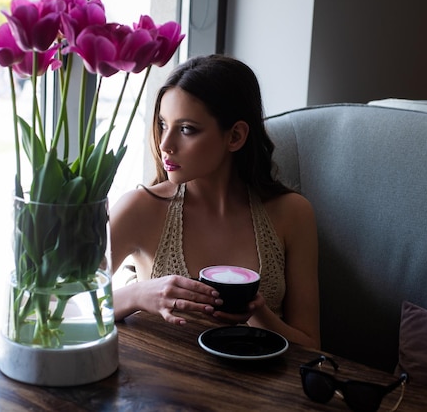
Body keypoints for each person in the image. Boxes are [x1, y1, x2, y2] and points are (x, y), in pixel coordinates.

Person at [109, 54, 320, 349]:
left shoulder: (291, 214)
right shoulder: (140, 209)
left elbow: (311, 348)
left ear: (235, 136)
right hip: (163, 388)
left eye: (186, 129)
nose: (165, 144)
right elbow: (59, 303)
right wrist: (137, 295)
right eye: (162, 124)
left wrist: (256, 313)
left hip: (258, 389)